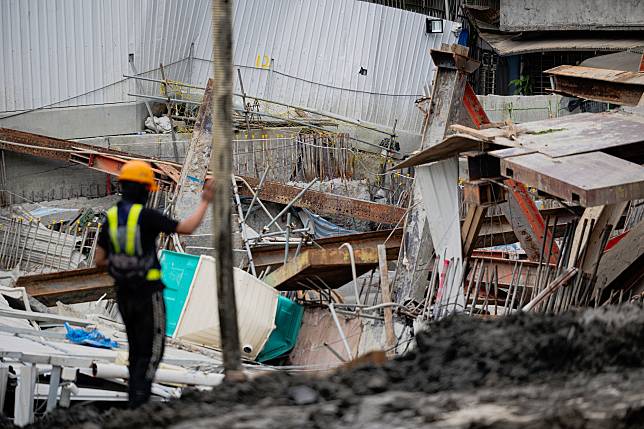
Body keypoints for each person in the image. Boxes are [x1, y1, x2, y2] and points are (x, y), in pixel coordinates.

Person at [95, 160, 212, 408]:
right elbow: (186, 228)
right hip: (148, 295)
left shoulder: (112, 217)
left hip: (123, 294)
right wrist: (205, 201)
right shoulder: (147, 217)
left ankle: (132, 403)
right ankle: (140, 406)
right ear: (144, 189)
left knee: (136, 351)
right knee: (151, 353)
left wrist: (124, 263)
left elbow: (99, 261)